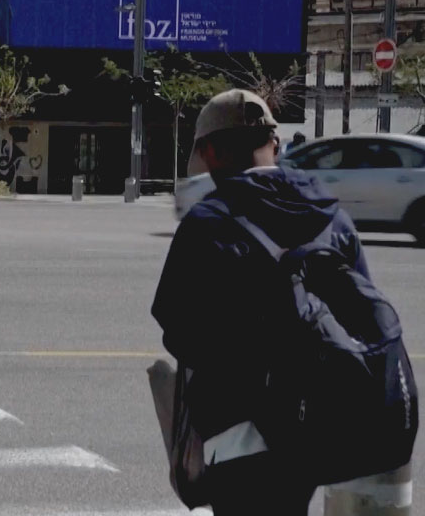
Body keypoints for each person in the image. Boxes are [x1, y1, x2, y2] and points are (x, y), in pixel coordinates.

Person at [151, 89, 372, 515]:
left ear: (211, 152)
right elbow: (361, 314)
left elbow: (175, 328)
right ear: (276, 143)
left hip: (237, 436)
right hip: (317, 431)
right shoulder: (332, 217)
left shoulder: (206, 224)